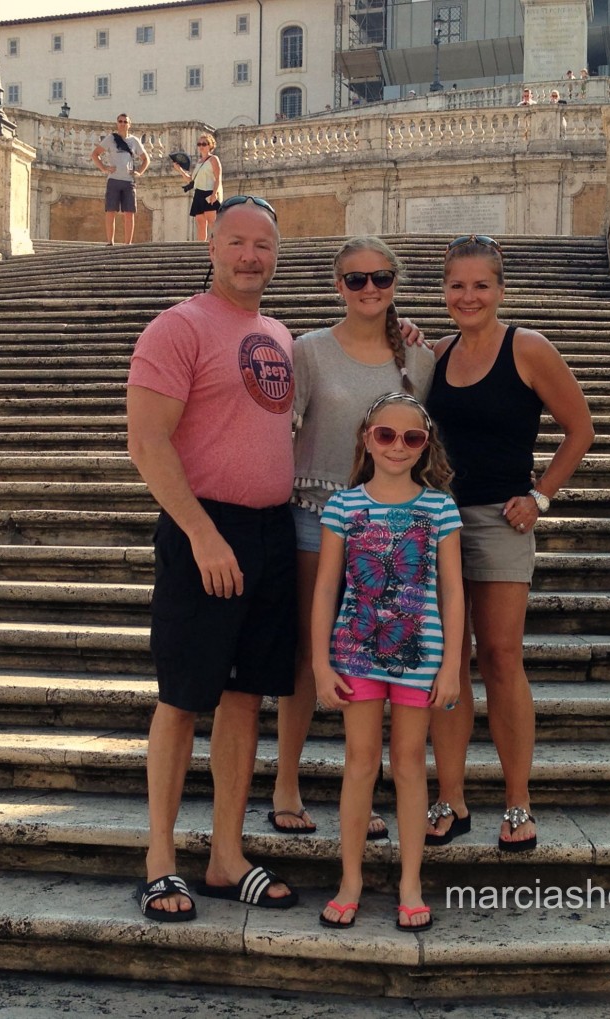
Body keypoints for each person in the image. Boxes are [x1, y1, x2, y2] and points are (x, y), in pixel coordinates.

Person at [126, 194, 299, 921]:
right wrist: (200, 532)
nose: (250, 255)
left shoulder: (280, 334)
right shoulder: (178, 325)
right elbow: (147, 441)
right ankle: (161, 858)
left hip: (271, 531)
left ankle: (226, 855)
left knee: (246, 698)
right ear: (212, 245)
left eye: (262, 244)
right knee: (182, 698)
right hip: (204, 527)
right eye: (236, 242)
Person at [424, 235, 594, 852]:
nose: (468, 296)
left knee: (500, 656)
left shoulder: (528, 348)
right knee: (448, 662)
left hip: (500, 519)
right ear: (444, 292)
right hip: (437, 521)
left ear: (500, 290)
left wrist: (541, 494)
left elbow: (581, 429)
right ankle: (452, 797)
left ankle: (518, 802)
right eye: (456, 286)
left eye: (480, 285)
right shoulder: (437, 354)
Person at [272, 237, 435, 837]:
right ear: (337, 286)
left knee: (366, 656)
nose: (370, 289)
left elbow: (421, 440)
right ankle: (286, 784)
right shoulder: (308, 350)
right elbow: (280, 431)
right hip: (316, 514)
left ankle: (359, 797)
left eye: (382, 278)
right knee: (303, 657)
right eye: (356, 279)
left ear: (396, 283)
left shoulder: (419, 360)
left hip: (387, 533)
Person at [313, 392, 464, 931]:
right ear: (366, 438)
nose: (398, 446)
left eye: (412, 438)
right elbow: (327, 587)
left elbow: (452, 591)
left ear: (425, 447)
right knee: (359, 763)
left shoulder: (440, 508)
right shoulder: (344, 506)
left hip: (419, 654)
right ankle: (349, 879)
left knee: (407, 765)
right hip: (355, 652)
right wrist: (320, 664)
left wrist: (450, 665)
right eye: (386, 435)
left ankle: (409, 884)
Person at [91, 113, 150, 245]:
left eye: (125, 122)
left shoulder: (134, 141)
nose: (123, 124)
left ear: (129, 124)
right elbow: (95, 154)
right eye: (120, 121)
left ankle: (127, 243)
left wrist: (139, 172)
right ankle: (110, 241)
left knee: (129, 212)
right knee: (110, 210)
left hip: (129, 180)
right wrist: (104, 168)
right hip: (114, 179)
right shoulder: (111, 138)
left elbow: (146, 159)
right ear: (117, 123)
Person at [172, 132, 223, 243]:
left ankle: (216, 245)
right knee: (200, 223)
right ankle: (200, 247)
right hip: (198, 193)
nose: (201, 146)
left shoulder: (214, 159)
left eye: (204, 144)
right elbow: (192, 181)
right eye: (199, 144)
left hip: (209, 192)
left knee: (212, 222)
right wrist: (180, 170)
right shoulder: (199, 162)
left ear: (210, 145)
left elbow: (218, 178)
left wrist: (214, 194)